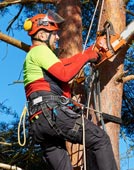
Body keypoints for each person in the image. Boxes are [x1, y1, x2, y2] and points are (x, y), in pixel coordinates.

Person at [23, 10, 116, 170]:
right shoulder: (40, 51)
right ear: (43, 36)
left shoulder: (34, 56)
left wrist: (87, 53)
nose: (57, 37)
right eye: (54, 34)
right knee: (100, 139)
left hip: (39, 123)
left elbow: (64, 63)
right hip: (51, 113)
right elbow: (65, 74)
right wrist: (86, 57)